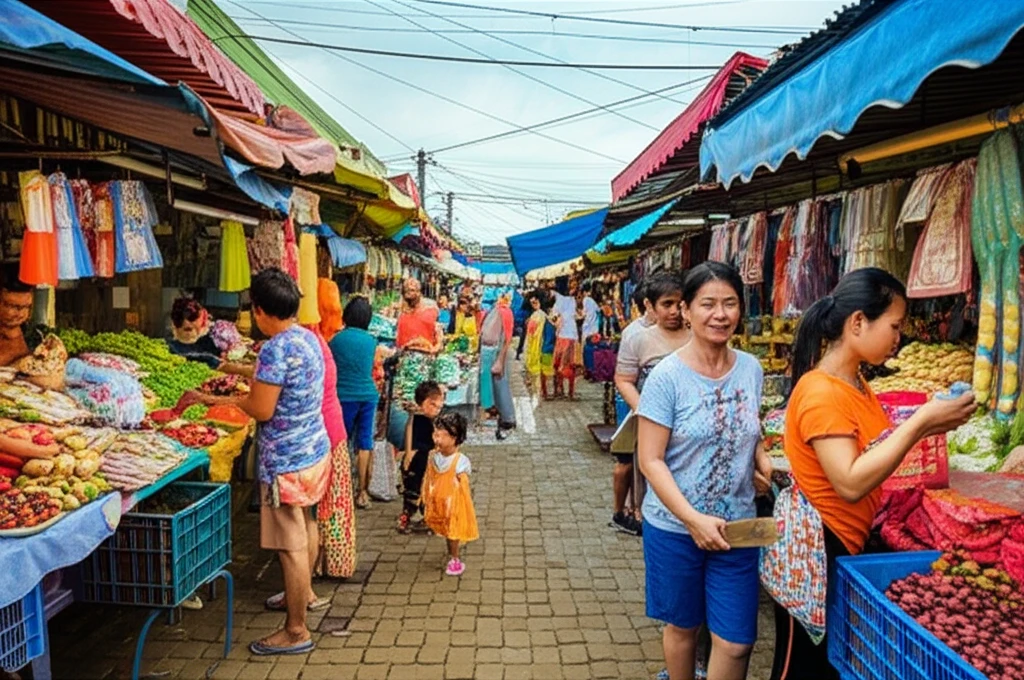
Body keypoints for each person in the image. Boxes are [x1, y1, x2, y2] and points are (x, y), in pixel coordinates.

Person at [770, 268, 975, 680]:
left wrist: (930, 423)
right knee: (800, 668)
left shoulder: (857, 382)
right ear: (858, 322)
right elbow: (849, 481)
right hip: (817, 546)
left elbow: (872, 450)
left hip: (841, 541)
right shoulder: (822, 391)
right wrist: (920, 424)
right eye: (895, 325)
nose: (900, 336)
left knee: (826, 662)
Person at [637, 262, 772, 680]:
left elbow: (750, 424)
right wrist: (692, 519)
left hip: (737, 529)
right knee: (683, 628)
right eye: (708, 304)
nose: (720, 314)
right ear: (688, 310)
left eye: (730, 303)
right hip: (675, 528)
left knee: (735, 643)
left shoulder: (751, 368)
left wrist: (760, 452)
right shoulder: (666, 378)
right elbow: (650, 459)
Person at [192, 269, 331, 656]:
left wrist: (218, 401)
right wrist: (235, 371)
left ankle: (296, 629)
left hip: (286, 461)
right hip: (313, 452)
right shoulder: (307, 337)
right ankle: (302, 597)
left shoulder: (274, 348)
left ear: (259, 309)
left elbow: (261, 408)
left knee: (290, 546)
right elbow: (277, 380)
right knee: (305, 526)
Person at [329, 296, 379, 510]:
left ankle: (339, 489)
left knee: (340, 442)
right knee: (364, 442)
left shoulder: (336, 340)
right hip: (368, 394)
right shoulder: (371, 341)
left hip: (343, 396)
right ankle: (363, 492)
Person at [421, 411, 479, 576]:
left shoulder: (461, 462)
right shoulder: (434, 457)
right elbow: (429, 478)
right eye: (436, 434)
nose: (437, 439)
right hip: (439, 503)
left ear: (454, 438)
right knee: (448, 531)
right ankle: (452, 553)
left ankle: (455, 558)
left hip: (454, 505)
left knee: (453, 531)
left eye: (442, 435)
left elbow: (464, 488)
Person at [400, 380, 445, 534]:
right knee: (413, 492)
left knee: (427, 492)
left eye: (439, 406)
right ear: (421, 403)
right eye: (432, 405)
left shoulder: (434, 421)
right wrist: (408, 455)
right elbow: (410, 435)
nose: (437, 409)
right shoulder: (418, 419)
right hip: (417, 460)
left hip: (428, 461)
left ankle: (428, 519)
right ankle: (406, 520)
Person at [167, 297, 252, 377]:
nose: (186, 322)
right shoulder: (172, 346)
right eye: (179, 319)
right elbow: (213, 362)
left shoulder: (213, 335)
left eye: (192, 318)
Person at [479, 294, 516, 439]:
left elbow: (507, 338)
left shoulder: (506, 312)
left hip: (496, 352)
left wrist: (500, 359)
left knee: (500, 385)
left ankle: (507, 418)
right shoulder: (493, 311)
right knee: (490, 386)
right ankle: (495, 413)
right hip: (487, 352)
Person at [396, 278, 441, 353]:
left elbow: (438, 332)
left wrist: (435, 348)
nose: (408, 292)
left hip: (424, 354)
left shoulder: (430, 308)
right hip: (403, 354)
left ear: (419, 292)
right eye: (405, 290)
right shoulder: (401, 310)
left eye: (412, 290)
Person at [551, 284, 580, 399]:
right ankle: (570, 392)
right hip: (572, 336)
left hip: (562, 336)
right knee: (570, 364)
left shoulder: (558, 302)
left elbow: (555, 318)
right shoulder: (572, 300)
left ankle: (560, 390)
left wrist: (555, 324)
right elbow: (576, 315)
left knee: (558, 364)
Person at [523, 291, 553, 399]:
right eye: (532, 303)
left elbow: (532, 331)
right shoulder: (542, 315)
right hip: (540, 345)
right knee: (541, 369)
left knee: (540, 369)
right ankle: (542, 391)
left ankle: (541, 391)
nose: (533, 304)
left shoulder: (538, 315)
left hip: (539, 345)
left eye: (535, 302)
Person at [580, 284, 601, 379]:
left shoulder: (586, 300)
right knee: (593, 351)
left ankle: (588, 371)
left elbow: (584, 314)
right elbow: (598, 310)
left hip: (587, 329)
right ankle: (594, 371)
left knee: (585, 351)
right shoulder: (593, 301)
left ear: (584, 292)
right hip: (594, 329)